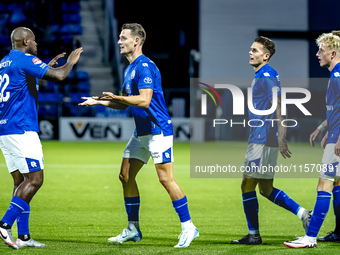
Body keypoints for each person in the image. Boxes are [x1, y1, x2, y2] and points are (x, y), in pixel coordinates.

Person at [79, 23, 198, 248]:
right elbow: (124, 105)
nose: (119, 41)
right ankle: (133, 228)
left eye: (123, 37)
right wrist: (99, 101)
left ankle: (189, 227)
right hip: (141, 132)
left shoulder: (145, 66)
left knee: (166, 179)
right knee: (125, 176)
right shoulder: (129, 69)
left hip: (157, 130)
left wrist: (117, 97)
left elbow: (144, 100)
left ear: (137, 41)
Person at [0, 27, 82, 249]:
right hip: (22, 128)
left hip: (6, 130)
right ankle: (5, 224)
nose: (36, 44)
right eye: (34, 40)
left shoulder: (5, 61)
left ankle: (23, 237)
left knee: (21, 182)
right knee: (35, 180)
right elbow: (61, 77)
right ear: (26, 41)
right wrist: (71, 62)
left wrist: (47, 66)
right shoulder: (25, 59)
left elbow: (25, 83)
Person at [230, 36, 312, 245]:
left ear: (266, 56)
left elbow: (279, 105)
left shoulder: (266, 75)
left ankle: (253, 235)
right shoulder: (264, 74)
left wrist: (281, 137)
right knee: (266, 189)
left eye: (255, 50)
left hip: (262, 139)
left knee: (246, 185)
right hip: (265, 138)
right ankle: (303, 214)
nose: (250, 53)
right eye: (250, 49)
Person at [285, 32, 340, 248]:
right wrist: (323, 128)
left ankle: (310, 238)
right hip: (334, 134)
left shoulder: (337, 76)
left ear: (333, 53)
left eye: (321, 50)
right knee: (336, 183)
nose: (317, 54)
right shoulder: (335, 74)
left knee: (323, 185)